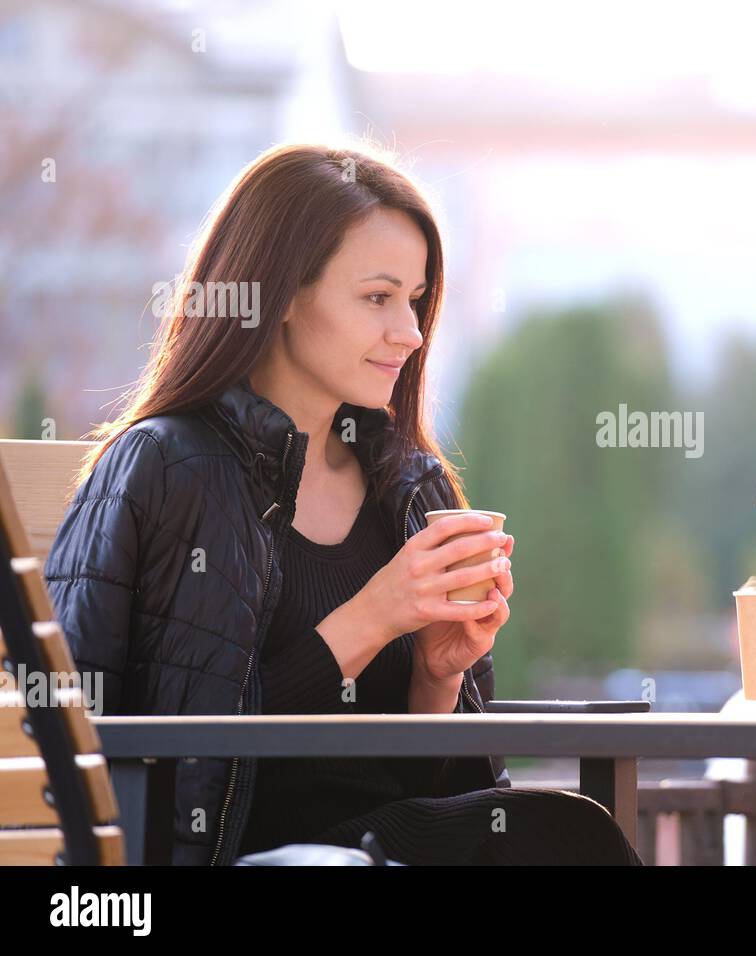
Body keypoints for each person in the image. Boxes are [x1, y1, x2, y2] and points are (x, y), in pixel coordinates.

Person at [44, 141, 642, 866]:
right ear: (283, 294)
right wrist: (371, 618)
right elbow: (86, 748)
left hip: (382, 846)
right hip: (230, 858)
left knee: (567, 832)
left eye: (416, 301)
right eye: (378, 298)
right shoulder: (166, 467)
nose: (411, 333)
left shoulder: (413, 487)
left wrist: (437, 676)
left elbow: (445, 792)